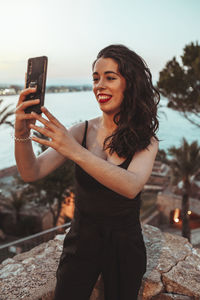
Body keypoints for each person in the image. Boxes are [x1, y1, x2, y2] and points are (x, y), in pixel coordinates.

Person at [14, 44, 160, 300]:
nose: (99, 86)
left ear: (131, 83)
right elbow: (30, 172)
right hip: (81, 243)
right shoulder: (80, 131)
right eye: (95, 79)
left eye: (110, 77)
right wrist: (21, 134)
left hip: (124, 247)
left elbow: (131, 185)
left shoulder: (146, 140)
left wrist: (74, 151)